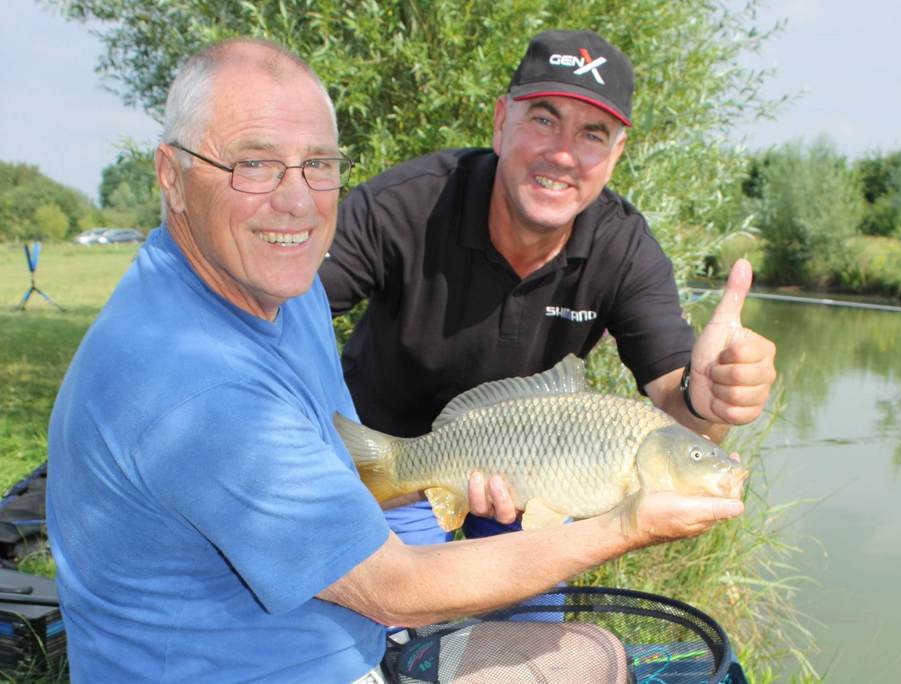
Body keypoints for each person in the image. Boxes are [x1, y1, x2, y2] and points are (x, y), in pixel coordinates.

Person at [47, 37, 745, 683]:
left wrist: (706, 395)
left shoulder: (281, 294)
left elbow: (675, 391)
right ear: (172, 175)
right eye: (252, 163)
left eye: (318, 165)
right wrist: (624, 523)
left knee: (585, 650)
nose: (295, 203)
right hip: (303, 653)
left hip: (353, 610)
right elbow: (395, 587)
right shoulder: (201, 382)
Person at [320, 29, 777, 544]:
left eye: (592, 134)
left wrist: (707, 400)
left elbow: (677, 398)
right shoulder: (403, 207)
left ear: (615, 155)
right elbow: (278, 313)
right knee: (384, 612)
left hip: (534, 492)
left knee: (543, 627)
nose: (562, 155)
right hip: (396, 475)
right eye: (543, 120)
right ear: (500, 122)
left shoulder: (623, 247)